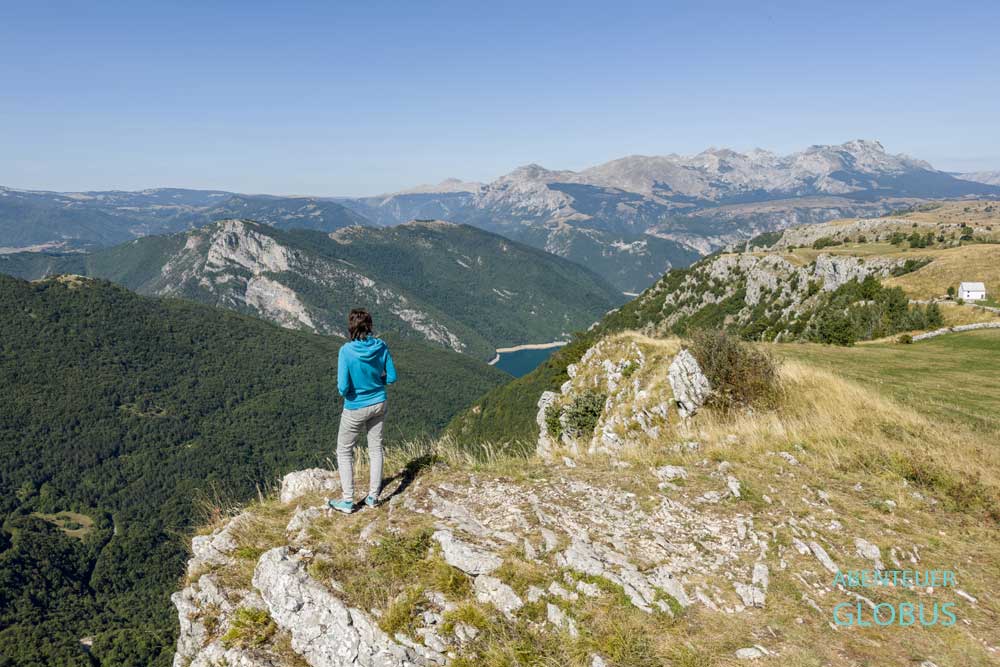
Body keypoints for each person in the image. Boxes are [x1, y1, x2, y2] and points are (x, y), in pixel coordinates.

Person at [328, 308, 396, 514]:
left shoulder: (346, 351)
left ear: (351, 327)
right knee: (375, 448)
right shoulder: (381, 346)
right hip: (379, 403)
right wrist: (376, 383)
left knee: (344, 450)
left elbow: (342, 387)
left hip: (355, 407)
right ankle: (373, 497)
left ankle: (348, 501)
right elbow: (391, 377)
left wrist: (355, 391)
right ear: (369, 326)